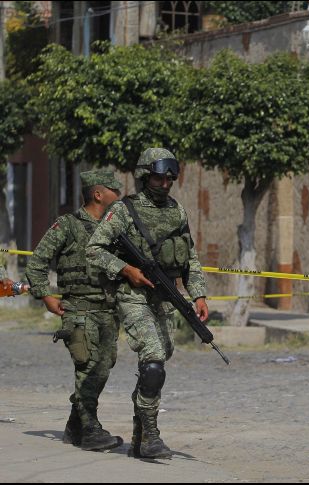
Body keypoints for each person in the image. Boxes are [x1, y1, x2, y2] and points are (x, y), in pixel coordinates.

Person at [86, 148, 208, 460]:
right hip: (134, 295)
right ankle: (152, 433)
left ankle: (140, 432)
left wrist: (199, 295)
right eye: (158, 176)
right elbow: (94, 249)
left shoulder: (177, 211)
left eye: (170, 178)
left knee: (159, 360)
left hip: (166, 296)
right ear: (144, 176)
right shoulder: (124, 210)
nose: (165, 183)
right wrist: (127, 270)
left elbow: (190, 257)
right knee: (153, 360)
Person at [24, 170, 123, 451]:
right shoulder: (67, 225)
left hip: (108, 311)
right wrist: (45, 296)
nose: (121, 197)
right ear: (99, 194)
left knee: (103, 368)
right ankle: (91, 430)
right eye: (116, 191)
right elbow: (37, 262)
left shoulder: (115, 229)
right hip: (79, 311)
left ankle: (74, 426)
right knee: (88, 369)